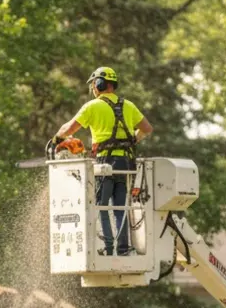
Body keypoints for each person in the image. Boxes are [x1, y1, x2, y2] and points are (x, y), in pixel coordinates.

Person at [53, 67, 153, 256]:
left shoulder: (92, 106)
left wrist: (57, 139)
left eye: (93, 84)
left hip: (105, 163)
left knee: (101, 205)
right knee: (120, 206)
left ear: (100, 84)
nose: (92, 88)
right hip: (125, 164)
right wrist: (133, 139)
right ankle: (123, 249)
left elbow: (69, 128)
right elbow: (147, 128)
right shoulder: (128, 105)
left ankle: (108, 247)